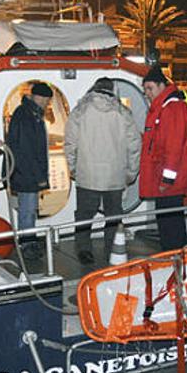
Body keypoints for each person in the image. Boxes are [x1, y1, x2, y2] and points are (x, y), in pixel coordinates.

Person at [64, 77, 142, 264]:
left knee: (84, 216)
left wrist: (73, 168)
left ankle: (84, 250)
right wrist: (131, 172)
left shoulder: (80, 111)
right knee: (114, 216)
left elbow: (70, 144)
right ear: (112, 91)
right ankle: (112, 249)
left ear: (94, 88)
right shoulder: (123, 113)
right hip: (115, 176)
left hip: (87, 175)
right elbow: (134, 146)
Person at [139, 67, 187, 251]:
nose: (148, 94)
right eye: (145, 90)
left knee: (170, 225)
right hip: (168, 181)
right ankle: (173, 257)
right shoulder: (167, 108)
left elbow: (173, 149)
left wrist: (166, 181)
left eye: (150, 88)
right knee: (168, 222)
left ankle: (174, 259)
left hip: (170, 184)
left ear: (161, 86)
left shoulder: (172, 109)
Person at [7, 82, 53, 259]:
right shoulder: (28, 115)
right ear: (38, 97)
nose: (47, 103)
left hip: (24, 171)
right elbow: (27, 149)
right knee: (28, 210)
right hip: (27, 172)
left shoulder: (26, 112)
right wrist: (39, 176)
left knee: (28, 209)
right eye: (47, 100)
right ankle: (27, 246)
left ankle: (28, 241)